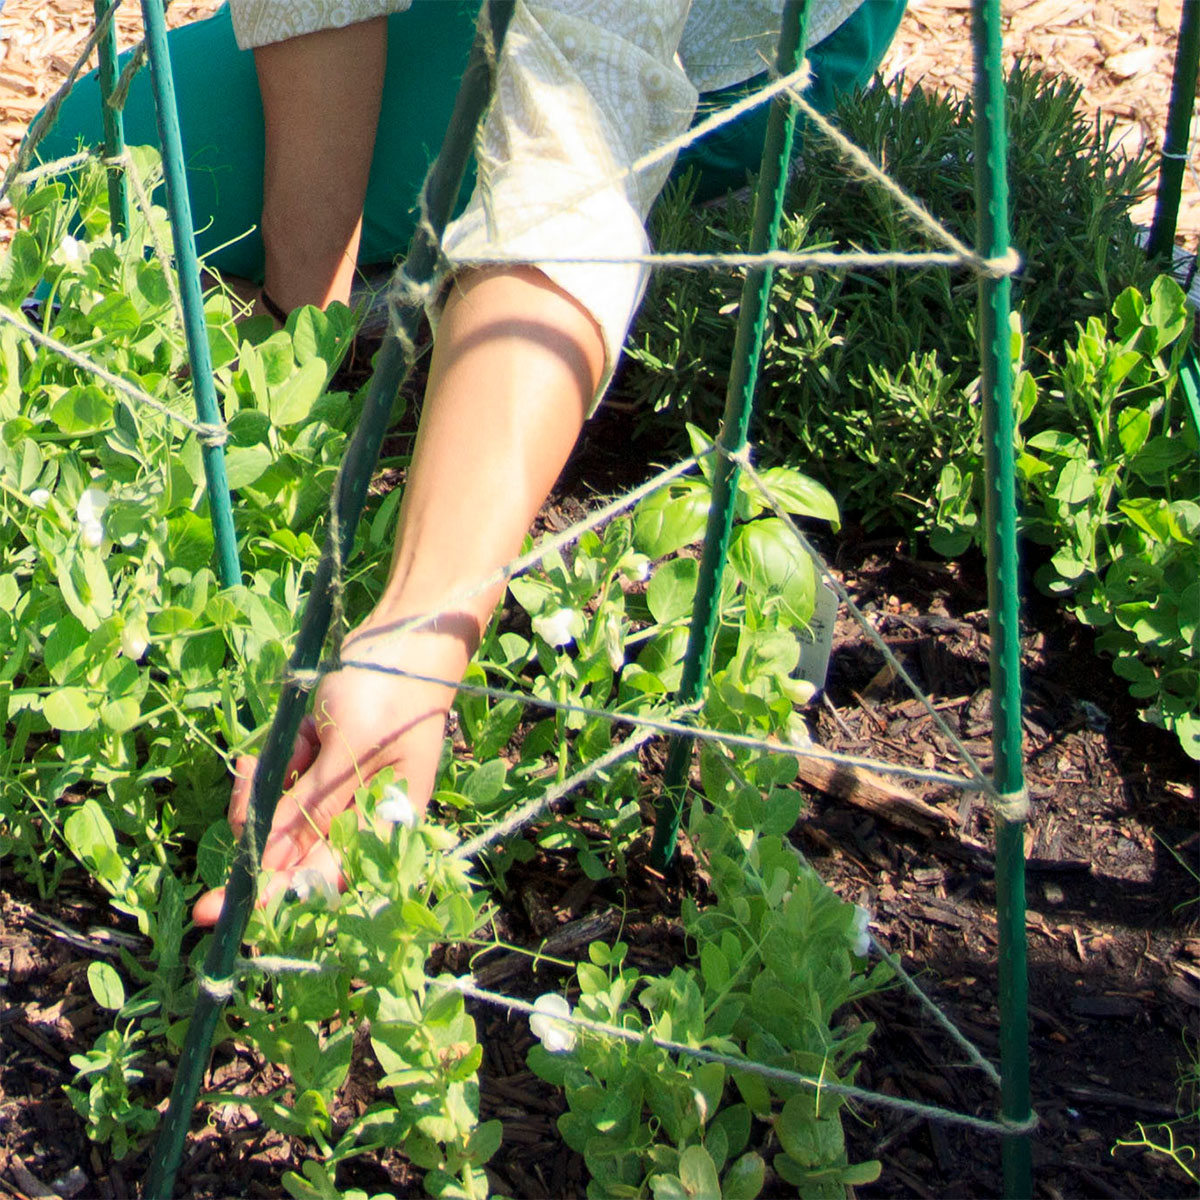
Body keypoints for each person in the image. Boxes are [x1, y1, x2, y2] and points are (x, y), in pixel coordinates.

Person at [38, 1, 906, 922]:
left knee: (534, 159)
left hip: (733, 30)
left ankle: (615, 222)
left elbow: (581, 110)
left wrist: (421, 629)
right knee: (82, 165)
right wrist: (308, 329)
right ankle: (421, 278)